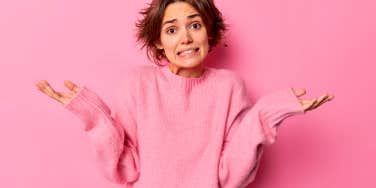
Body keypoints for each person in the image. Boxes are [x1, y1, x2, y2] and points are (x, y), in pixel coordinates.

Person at [35, 0, 334, 187]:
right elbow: (124, 169)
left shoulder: (229, 87)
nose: (186, 37)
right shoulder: (137, 84)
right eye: (172, 29)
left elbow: (231, 175)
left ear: (209, 32)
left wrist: (268, 113)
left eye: (194, 25)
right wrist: (93, 116)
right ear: (158, 41)